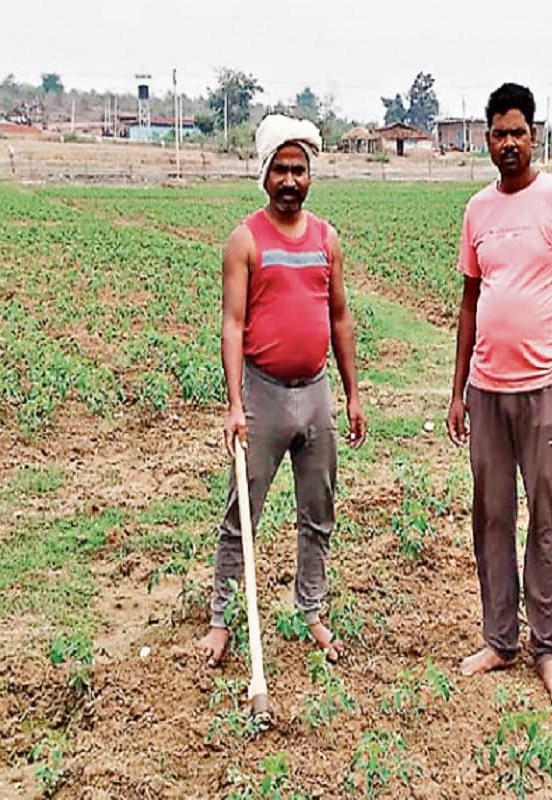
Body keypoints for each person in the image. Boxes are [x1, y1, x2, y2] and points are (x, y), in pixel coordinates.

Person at [446, 83, 552, 705]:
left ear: (535, 136)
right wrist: (456, 392)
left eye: (519, 132)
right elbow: (469, 302)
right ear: (486, 139)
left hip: (545, 387)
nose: (509, 143)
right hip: (487, 389)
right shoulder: (478, 210)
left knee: (546, 518)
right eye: (498, 133)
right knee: (493, 518)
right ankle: (500, 639)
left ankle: (548, 647)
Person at [200, 114, 366, 668]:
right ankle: (222, 618)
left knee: (318, 509)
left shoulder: (327, 239)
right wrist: (234, 404)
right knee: (242, 513)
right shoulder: (245, 241)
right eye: (281, 170)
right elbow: (232, 323)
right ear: (264, 175)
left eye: (300, 170)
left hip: (315, 393)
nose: (291, 180)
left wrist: (352, 393)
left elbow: (339, 318)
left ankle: (311, 610)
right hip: (264, 395)